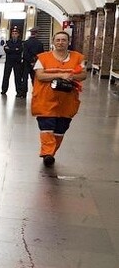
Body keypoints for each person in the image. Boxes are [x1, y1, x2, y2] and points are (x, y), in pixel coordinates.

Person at [31, 31, 87, 167]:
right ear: (53, 42)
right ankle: (47, 153)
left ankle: (51, 152)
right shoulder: (43, 58)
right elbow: (40, 76)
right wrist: (61, 75)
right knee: (47, 127)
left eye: (63, 40)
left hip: (67, 101)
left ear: (68, 42)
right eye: (58, 40)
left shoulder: (78, 58)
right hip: (45, 99)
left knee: (60, 129)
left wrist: (71, 76)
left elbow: (83, 75)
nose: (60, 42)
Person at [1, 27, 25, 97]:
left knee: (17, 77)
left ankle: (19, 91)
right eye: (13, 34)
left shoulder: (21, 42)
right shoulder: (8, 42)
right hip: (8, 62)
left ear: (18, 35)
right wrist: (15, 49)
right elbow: (6, 50)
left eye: (16, 34)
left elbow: (20, 50)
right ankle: (4, 90)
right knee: (6, 76)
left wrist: (11, 49)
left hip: (17, 62)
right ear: (11, 35)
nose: (14, 35)